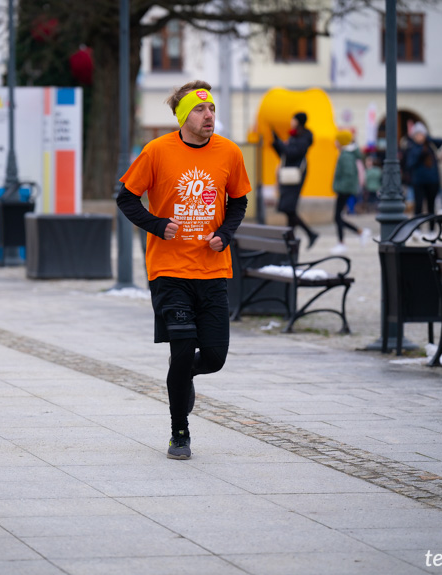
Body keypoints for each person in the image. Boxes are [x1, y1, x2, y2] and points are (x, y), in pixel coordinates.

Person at [116, 80, 251, 460]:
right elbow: (126, 198)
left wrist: (225, 234)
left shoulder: (230, 152)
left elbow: (238, 201)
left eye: (211, 110)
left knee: (213, 357)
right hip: (169, 271)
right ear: (182, 115)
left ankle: (184, 377)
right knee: (180, 351)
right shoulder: (157, 151)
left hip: (212, 272)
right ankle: (179, 432)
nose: (209, 116)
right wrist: (158, 225)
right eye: (199, 110)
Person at [271, 112, 318, 247]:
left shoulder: (304, 137)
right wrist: (276, 142)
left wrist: (280, 142)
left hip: (296, 174)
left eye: (293, 119)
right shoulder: (295, 135)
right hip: (288, 173)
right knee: (289, 209)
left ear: (298, 121)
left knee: (287, 207)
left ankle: (306, 234)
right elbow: (284, 154)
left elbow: (292, 153)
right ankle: (292, 239)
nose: (291, 121)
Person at [330, 130, 371, 254]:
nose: (335, 142)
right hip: (345, 189)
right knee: (337, 217)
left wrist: (339, 188)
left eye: (337, 140)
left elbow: (348, 175)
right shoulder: (347, 153)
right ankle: (359, 233)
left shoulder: (346, 155)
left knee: (337, 217)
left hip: (344, 189)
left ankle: (345, 241)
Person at [404, 122, 442, 230]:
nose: (419, 137)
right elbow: (409, 163)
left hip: (433, 180)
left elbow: (441, 141)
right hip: (418, 181)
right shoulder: (412, 147)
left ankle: (432, 228)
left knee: (431, 206)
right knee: (419, 206)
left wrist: (428, 138)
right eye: (417, 134)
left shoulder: (430, 145)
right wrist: (420, 154)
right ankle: (417, 228)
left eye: (421, 134)